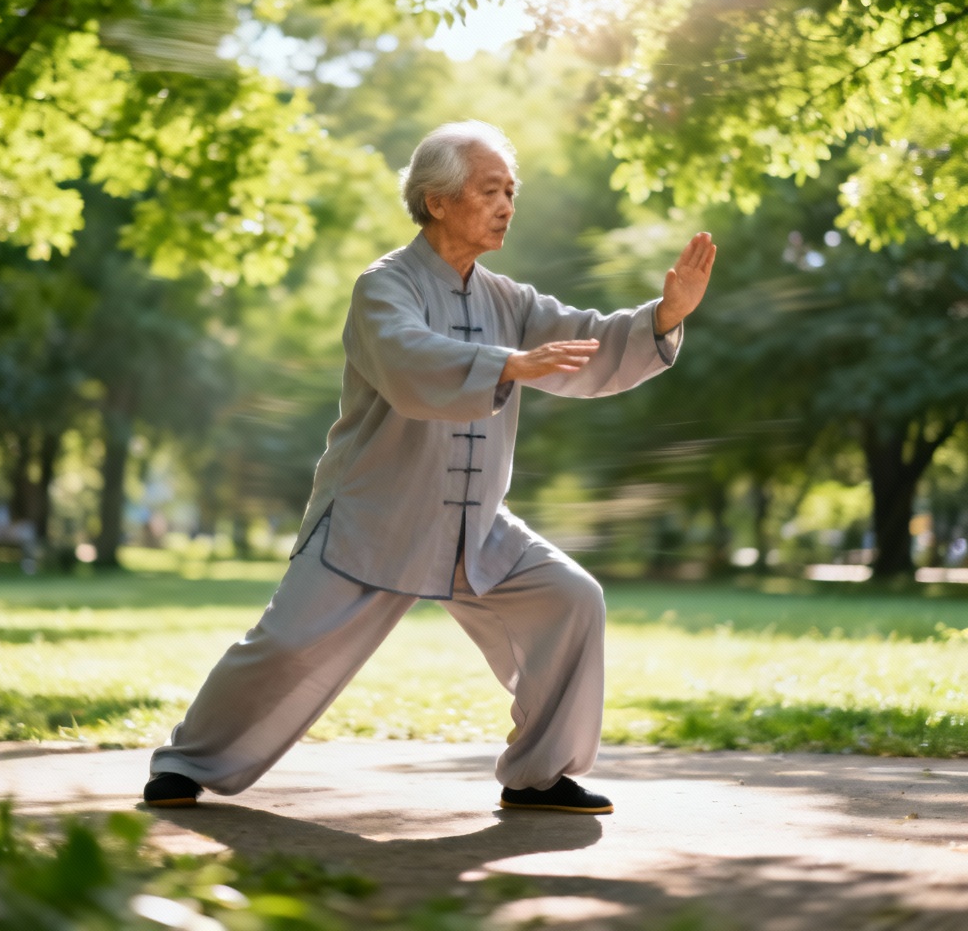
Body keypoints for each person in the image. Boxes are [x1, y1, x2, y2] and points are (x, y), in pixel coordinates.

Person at [144, 120, 716, 815]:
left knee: (570, 599)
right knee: (286, 646)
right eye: (490, 190)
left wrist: (662, 317)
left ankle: (539, 775)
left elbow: (584, 339)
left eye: (512, 190)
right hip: (373, 515)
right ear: (437, 200)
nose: (507, 204)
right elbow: (407, 358)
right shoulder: (383, 286)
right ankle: (184, 763)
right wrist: (506, 364)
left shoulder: (509, 299)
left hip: (476, 524)